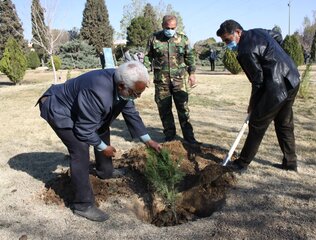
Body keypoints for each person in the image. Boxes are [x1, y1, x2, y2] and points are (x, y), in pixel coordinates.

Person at [37, 61, 161, 222]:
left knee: (102, 128)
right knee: (80, 149)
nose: (137, 97)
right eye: (135, 93)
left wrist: (148, 140)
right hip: (58, 108)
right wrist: (103, 147)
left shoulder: (122, 82)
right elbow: (84, 130)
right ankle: (83, 205)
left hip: (78, 107)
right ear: (122, 86)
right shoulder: (98, 92)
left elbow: (131, 112)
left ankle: (105, 171)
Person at [216, 20, 300, 172]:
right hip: (292, 78)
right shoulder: (259, 31)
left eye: (228, 40)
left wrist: (252, 104)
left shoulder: (245, 51)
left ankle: (242, 163)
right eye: (224, 41)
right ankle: (290, 162)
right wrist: (278, 56)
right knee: (284, 122)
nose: (227, 44)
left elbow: (258, 81)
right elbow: (277, 35)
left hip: (276, 87)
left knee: (257, 123)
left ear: (238, 32)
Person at [145, 15, 199, 144]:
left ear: (176, 26)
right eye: (167, 27)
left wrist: (192, 74)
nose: (170, 30)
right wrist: (145, 74)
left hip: (179, 81)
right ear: (162, 25)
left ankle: (189, 137)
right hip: (161, 81)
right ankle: (169, 136)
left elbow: (190, 57)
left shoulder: (183, 39)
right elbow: (147, 57)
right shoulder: (154, 38)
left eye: (173, 28)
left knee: (183, 108)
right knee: (164, 109)